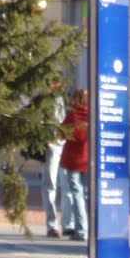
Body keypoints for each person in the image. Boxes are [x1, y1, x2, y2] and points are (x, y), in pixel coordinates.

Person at [41, 84, 73, 237]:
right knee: (50, 185)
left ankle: (68, 224)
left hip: (65, 145)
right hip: (52, 145)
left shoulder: (67, 99)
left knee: (67, 186)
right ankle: (52, 225)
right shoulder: (44, 101)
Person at [59, 87, 89, 241]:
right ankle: (90, 228)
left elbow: (61, 134)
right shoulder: (92, 115)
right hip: (88, 160)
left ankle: (82, 230)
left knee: (77, 195)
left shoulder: (72, 116)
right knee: (87, 195)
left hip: (73, 160)